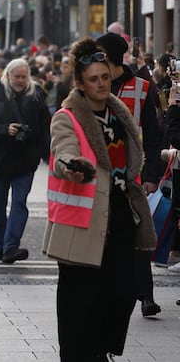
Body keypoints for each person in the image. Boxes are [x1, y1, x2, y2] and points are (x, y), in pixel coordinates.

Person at [44, 38, 155, 361]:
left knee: (124, 292)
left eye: (105, 77)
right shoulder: (68, 117)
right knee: (79, 301)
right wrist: (72, 166)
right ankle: (81, 354)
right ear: (80, 83)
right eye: (93, 79)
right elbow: (63, 149)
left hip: (119, 215)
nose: (101, 84)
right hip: (82, 223)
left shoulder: (119, 115)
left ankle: (100, 347)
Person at [95, 31, 164, 317]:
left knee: (139, 234)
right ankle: (106, 290)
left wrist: (151, 175)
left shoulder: (144, 88)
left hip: (133, 173)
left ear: (109, 57)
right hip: (102, 171)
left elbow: (153, 136)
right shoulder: (95, 85)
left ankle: (145, 295)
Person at [0, 59, 50, 264]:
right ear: (8, 76)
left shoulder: (36, 95)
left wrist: (47, 155)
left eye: (23, 77)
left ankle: (11, 246)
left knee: (19, 203)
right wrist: (5, 129)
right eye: (16, 76)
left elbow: (45, 129)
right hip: (1, 158)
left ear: (28, 77)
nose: (19, 80)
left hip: (26, 159)